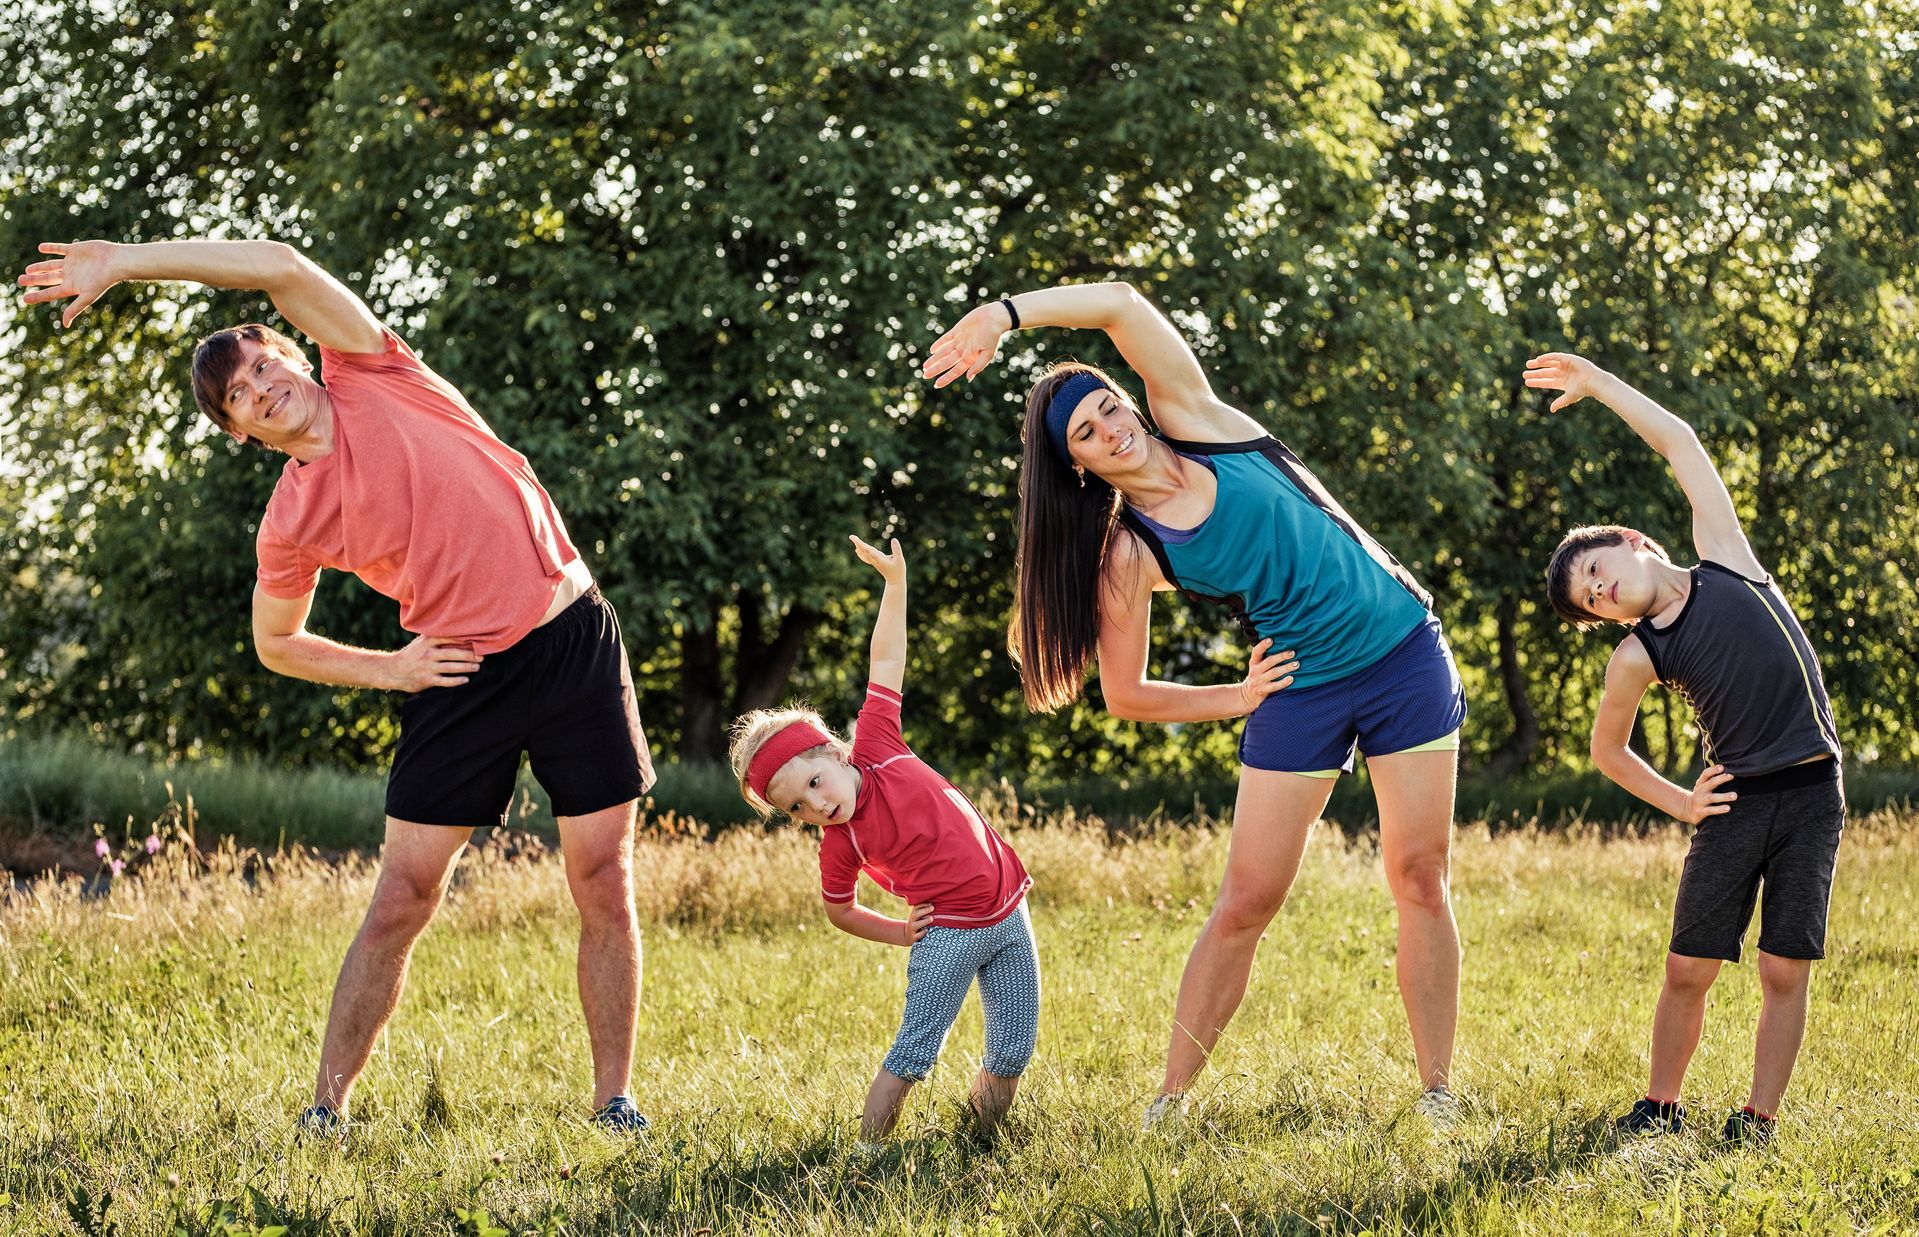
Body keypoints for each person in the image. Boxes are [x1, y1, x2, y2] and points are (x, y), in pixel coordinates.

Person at [17, 238, 657, 1134]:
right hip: (456, 672)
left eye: (261, 361)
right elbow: (275, 642)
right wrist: (391, 669)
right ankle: (327, 1108)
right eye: (237, 393)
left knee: (601, 876)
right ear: (240, 431)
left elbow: (276, 263)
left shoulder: (371, 369)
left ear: (287, 350)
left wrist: (126, 262)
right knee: (402, 896)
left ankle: (614, 1101)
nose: (260, 384)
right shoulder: (290, 520)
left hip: (570, 638)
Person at [922, 283, 1467, 1126]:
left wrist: (1002, 315)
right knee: (1248, 898)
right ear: (1078, 464)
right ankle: (1169, 1102)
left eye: (1108, 407)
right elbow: (1126, 694)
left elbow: (1119, 303)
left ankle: (1438, 1092)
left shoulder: (1198, 418)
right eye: (1089, 433)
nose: (1113, 428)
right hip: (1302, 687)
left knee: (1419, 875)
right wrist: (1238, 696)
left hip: (1403, 652)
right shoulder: (1131, 552)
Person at [1533, 352, 1843, 1148]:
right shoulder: (1638, 655)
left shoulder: (1725, 558)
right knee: (1688, 968)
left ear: (1635, 543)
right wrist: (1681, 800)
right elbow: (1608, 749)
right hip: (1735, 803)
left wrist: (1599, 383)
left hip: (1811, 792)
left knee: (1783, 968)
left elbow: (1680, 442)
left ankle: (1759, 1119)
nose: (1602, 593)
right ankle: (1659, 1106)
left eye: (1599, 571)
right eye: (1591, 601)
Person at [728, 535, 1039, 1143]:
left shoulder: (879, 745)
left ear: (835, 753)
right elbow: (837, 909)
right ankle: (870, 1154)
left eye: (814, 782)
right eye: (797, 807)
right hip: (948, 934)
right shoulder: (840, 846)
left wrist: (895, 586)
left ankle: (982, 1139)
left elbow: (886, 661)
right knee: (914, 1053)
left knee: (1013, 1045)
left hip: (1010, 911)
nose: (816, 804)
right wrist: (900, 933)